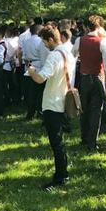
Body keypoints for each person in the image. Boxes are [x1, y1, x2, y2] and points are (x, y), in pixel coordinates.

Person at [28, 26, 74, 191]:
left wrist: (32, 72)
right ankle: (62, 173)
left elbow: (40, 79)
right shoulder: (68, 52)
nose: (44, 45)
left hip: (52, 103)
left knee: (56, 143)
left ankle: (61, 176)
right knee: (59, 141)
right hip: (63, 100)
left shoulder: (54, 56)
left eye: (44, 42)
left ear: (50, 39)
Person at [72, 16, 106, 151]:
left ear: (86, 27)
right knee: (96, 111)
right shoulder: (102, 41)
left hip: (84, 78)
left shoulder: (79, 40)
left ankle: (84, 138)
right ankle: (92, 142)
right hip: (97, 78)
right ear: (98, 26)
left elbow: (73, 55)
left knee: (84, 109)